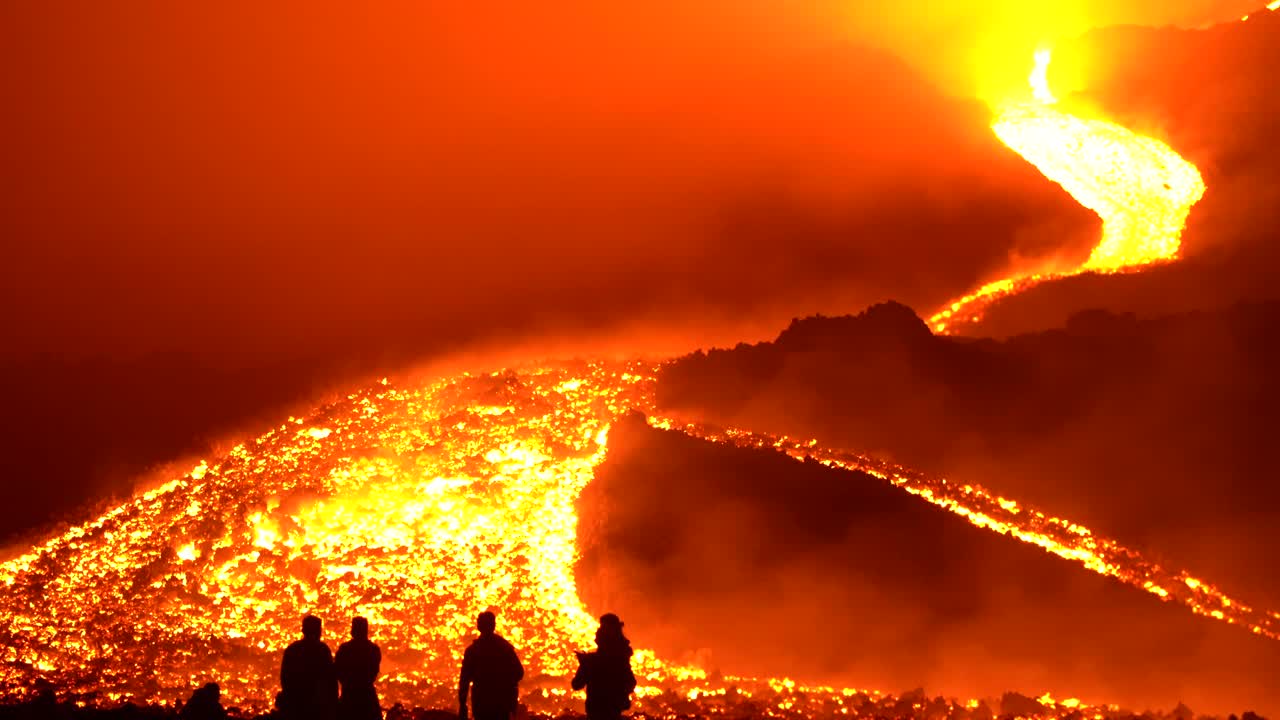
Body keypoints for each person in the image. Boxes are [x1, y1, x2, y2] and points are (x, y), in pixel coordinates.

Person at [458, 611, 524, 720]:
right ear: (493, 625)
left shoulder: (473, 651)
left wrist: (462, 704)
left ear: (479, 626)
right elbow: (519, 673)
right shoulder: (504, 648)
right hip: (501, 704)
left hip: (481, 703)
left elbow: (464, 680)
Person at [571, 613, 637, 720]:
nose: (597, 631)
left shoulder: (592, 661)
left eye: (601, 628)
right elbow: (631, 682)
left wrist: (584, 663)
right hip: (614, 713)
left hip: (596, 713)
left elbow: (576, 684)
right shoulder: (621, 659)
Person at [279, 614, 338, 720]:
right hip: (317, 706)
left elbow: (285, 678)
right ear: (319, 631)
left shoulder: (292, 650)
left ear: (303, 630)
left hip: (296, 706)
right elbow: (331, 680)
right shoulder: (323, 650)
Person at [335, 617, 383, 720]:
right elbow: (374, 672)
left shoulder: (345, 649)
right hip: (368, 699)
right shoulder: (373, 650)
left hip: (348, 698)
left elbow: (338, 672)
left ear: (352, 631)